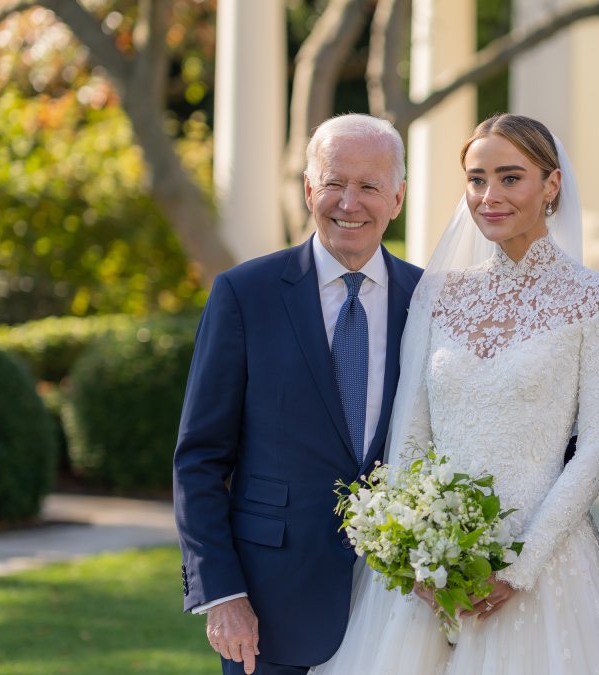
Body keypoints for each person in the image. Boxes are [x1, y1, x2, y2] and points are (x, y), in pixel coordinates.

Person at [310, 114, 599, 674]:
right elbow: (411, 434)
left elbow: (598, 450)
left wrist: (519, 566)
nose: (489, 196)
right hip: (431, 569)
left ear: (552, 185)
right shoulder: (438, 295)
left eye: (510, 178)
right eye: (476, 179)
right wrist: (416, 550)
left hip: (545, 565)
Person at [173, 114, 423, 675]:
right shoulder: (245, 294)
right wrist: (222, 594)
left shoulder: (429, 299)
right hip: (269, 605)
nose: (349, 202)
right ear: (310, 189)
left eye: (369, 185)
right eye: (334, 182)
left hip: (402, 606)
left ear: (398, 197)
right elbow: (199, 459)